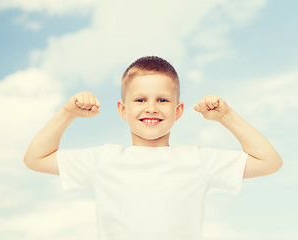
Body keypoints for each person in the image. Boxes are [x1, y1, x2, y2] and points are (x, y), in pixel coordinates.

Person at [24, 56, 282, 240]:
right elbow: (35, 159)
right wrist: (67, 113)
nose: (151, 107)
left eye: (162, 99)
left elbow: (269, 162)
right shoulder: (103, 159)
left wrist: (226, 116)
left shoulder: (197, 160)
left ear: (178, 110)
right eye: (140, 99)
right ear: (122, 110)